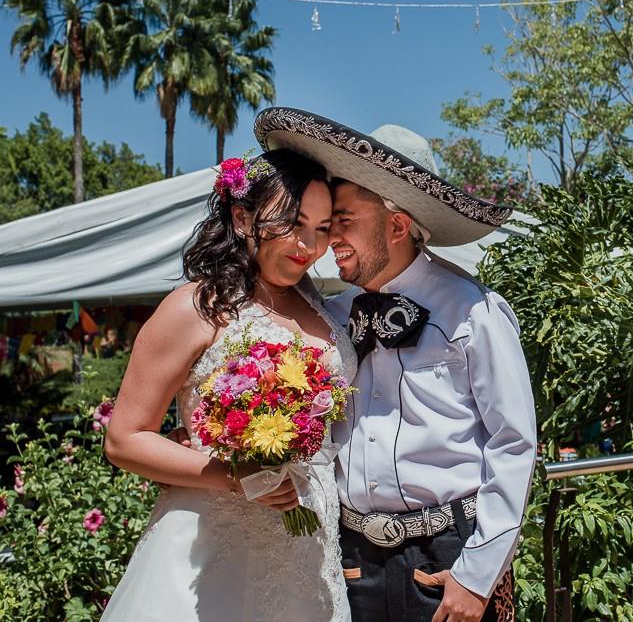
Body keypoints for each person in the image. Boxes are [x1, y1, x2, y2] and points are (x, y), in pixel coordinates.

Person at [254, 108, 537, 622]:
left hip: (452, 559)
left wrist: (478, 576)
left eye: (344, 222)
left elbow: (514, 444)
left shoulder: (474, 311)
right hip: (354, 563)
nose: (328, 239)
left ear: (398, 224)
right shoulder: (329, 315)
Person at [102, 150, 357, 621]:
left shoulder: (321, 308)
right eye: (293, 223)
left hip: (310, 545)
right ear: (243, 218)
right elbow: (124, 439)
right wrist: (236, 478)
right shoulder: (195, 308)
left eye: (322, 229)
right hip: (213, 543)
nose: (308, 245)